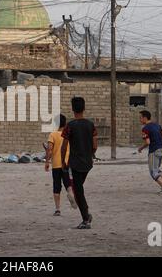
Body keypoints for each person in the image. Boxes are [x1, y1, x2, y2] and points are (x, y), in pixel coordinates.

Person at [61, 97, 97, 229]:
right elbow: (95, 145)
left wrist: (63, 160)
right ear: (84, 108)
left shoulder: (70, 126)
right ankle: (86, 214)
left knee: (78, 191)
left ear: (72, 109)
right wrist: (90, 153)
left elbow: (64, 146)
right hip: (87, 163)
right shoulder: (90, 125)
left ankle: (86, 218)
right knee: (78, 189)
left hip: (75, 163)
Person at [45, 114, 77, 216]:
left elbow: (50, 150)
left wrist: (47, 162)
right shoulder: (68, 134)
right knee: (67, 183)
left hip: (56, 165)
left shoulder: (53, 135)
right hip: (66, 163)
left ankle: (58, 209)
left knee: (56, 186)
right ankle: (71, 193)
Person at [138, 110, 162, 195]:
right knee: (156, 168)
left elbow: (148, 142)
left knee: (153, 172)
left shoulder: (145, 129)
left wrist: (141, 148)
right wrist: (159, 142)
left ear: (145, 118)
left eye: (140, 118)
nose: (139, 120)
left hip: (154, 151)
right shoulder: (157, 125)